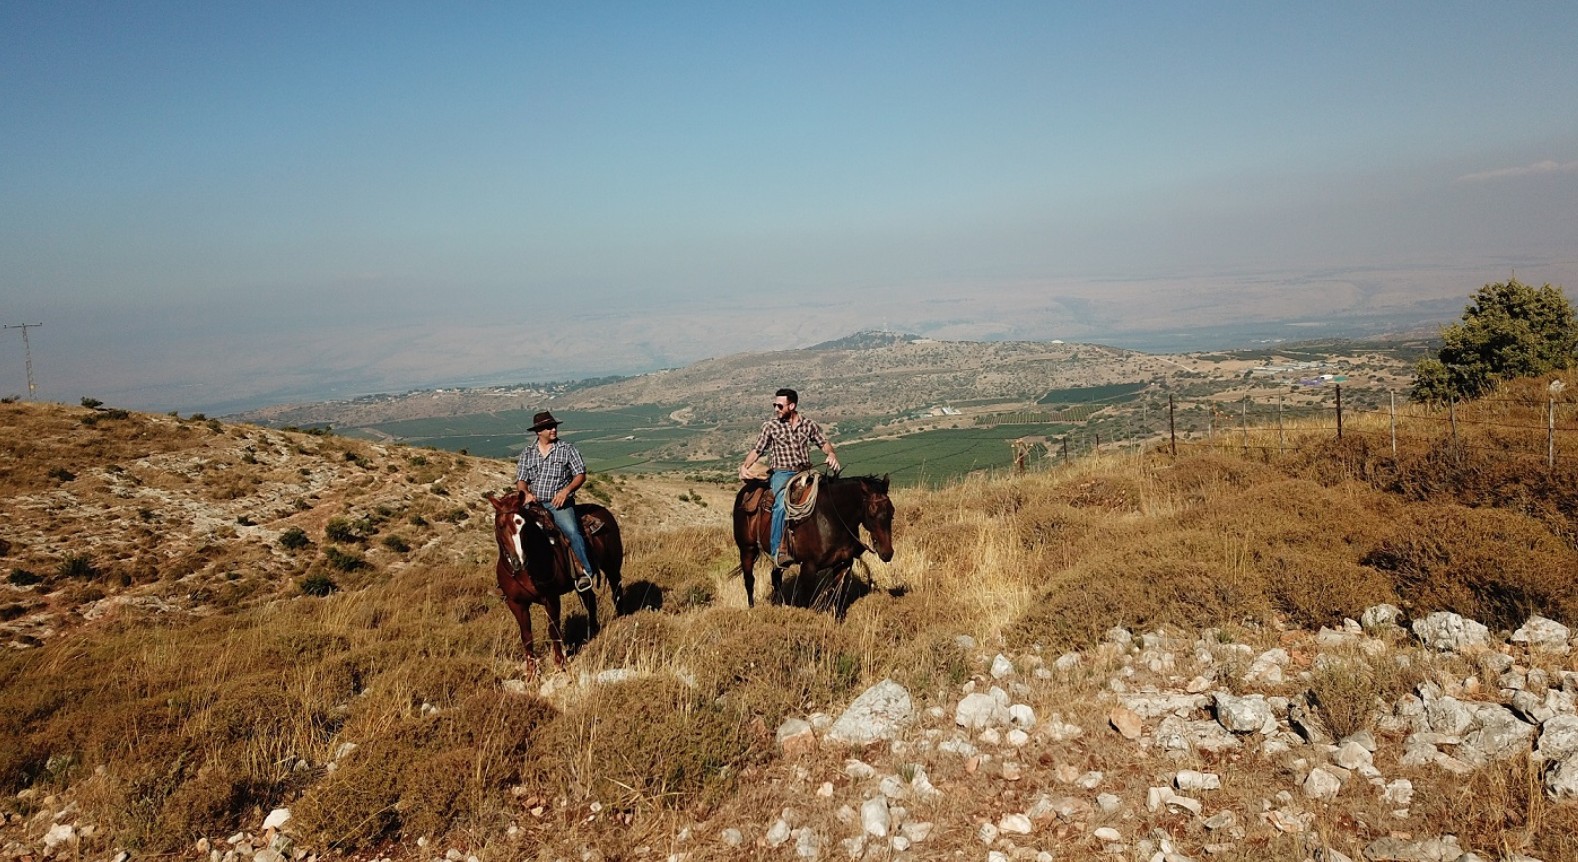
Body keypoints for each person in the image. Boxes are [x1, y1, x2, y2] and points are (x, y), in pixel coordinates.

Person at [738, 388, 841, 566]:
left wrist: (831, 454)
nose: (776, 409)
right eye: (774, 405)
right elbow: (757, 450)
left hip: (805, 471)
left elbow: (823, 444)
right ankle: (779, 550)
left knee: (830, 496)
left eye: (779, 405)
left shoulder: (808, 425)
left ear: (792, 406)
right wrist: (744, 466)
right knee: (780, 504)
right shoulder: (770, 426)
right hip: (782, 473)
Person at [515, 410, 598, 592]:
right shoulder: (527, 453)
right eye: (548, 427)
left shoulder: (567, 449)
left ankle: (584, 571)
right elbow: (521, 480)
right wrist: (525, 493)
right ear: (538, 432)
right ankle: (514, 578)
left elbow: (580, 475)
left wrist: (566, 491)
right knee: (514, 533)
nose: (553, 430)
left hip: (559, 503)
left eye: (554, 426)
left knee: (571, 531)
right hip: (534, 504)